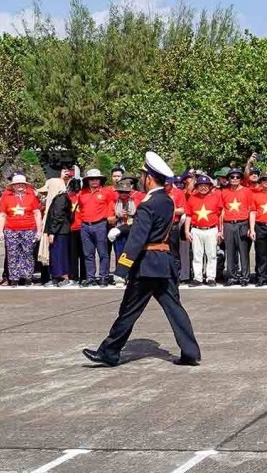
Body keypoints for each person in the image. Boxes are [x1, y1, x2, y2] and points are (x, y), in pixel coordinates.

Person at [83, 152, 201, 368]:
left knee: (129, 310)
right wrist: (124, 228)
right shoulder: (166, 201)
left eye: (143, 175)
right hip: (163, 262)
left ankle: (109, 352)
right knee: (175, 309)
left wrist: (121, 268)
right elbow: (150, 229)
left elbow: (139, 237)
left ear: (150, 178)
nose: (142, 179)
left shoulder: (148, 203)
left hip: (146, 266)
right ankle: (190, 352)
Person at [0, 174, 41, 287]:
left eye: (22, 184)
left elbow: (37, 213)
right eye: (17, 184)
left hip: (29, 229)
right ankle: (14, 278)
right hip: (11, 230)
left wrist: (39, 231)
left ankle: (27, 277)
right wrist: (1, 231)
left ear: (25, 185)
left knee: (28, 253)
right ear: (13, 186)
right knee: (12, 254)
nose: (19, 186)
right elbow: (2, 215)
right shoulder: (6, 197)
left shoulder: (31, 196)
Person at [77, 169, 116, 287]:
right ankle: (90, 277)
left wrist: (110, 217)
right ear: (87, 181)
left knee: (103, 253)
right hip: (85, 225)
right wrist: (80, 223)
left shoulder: (106, 192)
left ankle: (103, 277)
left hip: (100, 225)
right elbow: (79, 209)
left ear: (100, 180)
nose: (94, 181)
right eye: (91, 179)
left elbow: (111, 205)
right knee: (88, 254)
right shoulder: (82, 193)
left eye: (96, 178)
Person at [185, 174, 222, 286]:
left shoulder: (215, 197)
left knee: (211, 255)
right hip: (196, 230)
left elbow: (220, 215)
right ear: (197, 187)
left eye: (206, 185)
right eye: (201, 185)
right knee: (197, 255)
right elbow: (188, 216)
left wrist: (220, 230)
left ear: (210, 186)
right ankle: (198, 278)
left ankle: (211, 278)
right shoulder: (192, 198)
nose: (203, 188)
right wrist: (187, 231)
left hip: (211, 229)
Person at [219, 168, 253, 286]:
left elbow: (250, 210)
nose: (234, 179)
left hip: (242, 223)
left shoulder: (247, 191)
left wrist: (250, 227)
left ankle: (245, 277)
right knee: (230, 252)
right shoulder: (224, 192)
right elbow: (222, 210)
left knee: (243, 252)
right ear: (228, 179)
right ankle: (232, 277)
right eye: (232, 177)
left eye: (237, 177)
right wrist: (221, 228)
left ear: (240, 179)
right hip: (228, 223)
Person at [40, 178, 74, 287]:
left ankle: (64, 277)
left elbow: (58, 217)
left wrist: (52, 232)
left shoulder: (61, 198)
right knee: (55, 255)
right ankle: (55, 276)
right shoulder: (59, 198)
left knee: (60, 255)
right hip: (59, 231)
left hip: (60, 232)